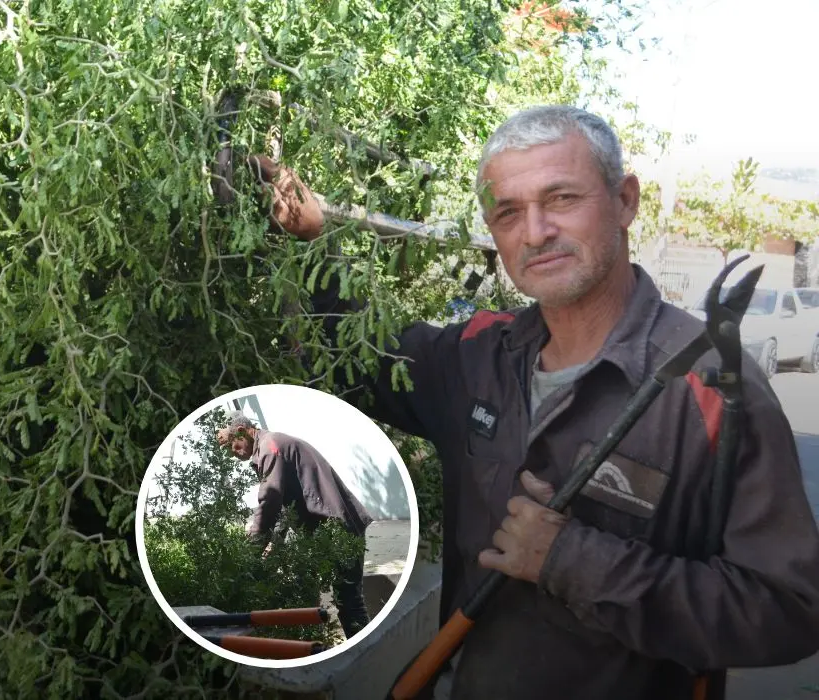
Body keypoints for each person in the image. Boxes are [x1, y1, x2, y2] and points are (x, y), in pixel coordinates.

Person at [242, 105, 819, 699]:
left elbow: (788, 609)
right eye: (508, 212)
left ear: (624, 201)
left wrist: (572, 559)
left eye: (562, 199)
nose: (535, 231)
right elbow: (355, 354)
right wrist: (309, 239)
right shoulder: (474, 353)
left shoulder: (714, 390)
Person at [216, 413, 375, 639]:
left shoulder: (270, 446)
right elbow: (284, 509)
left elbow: (270, 502)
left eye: (232, 445)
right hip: (324, 529)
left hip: (338, 528)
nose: (232, 453)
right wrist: (273, 545)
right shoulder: (269, 446)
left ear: (243, 431)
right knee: (309, 588)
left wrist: (252, 551)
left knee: (348, 600)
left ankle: (363, 654)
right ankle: (317, 645)